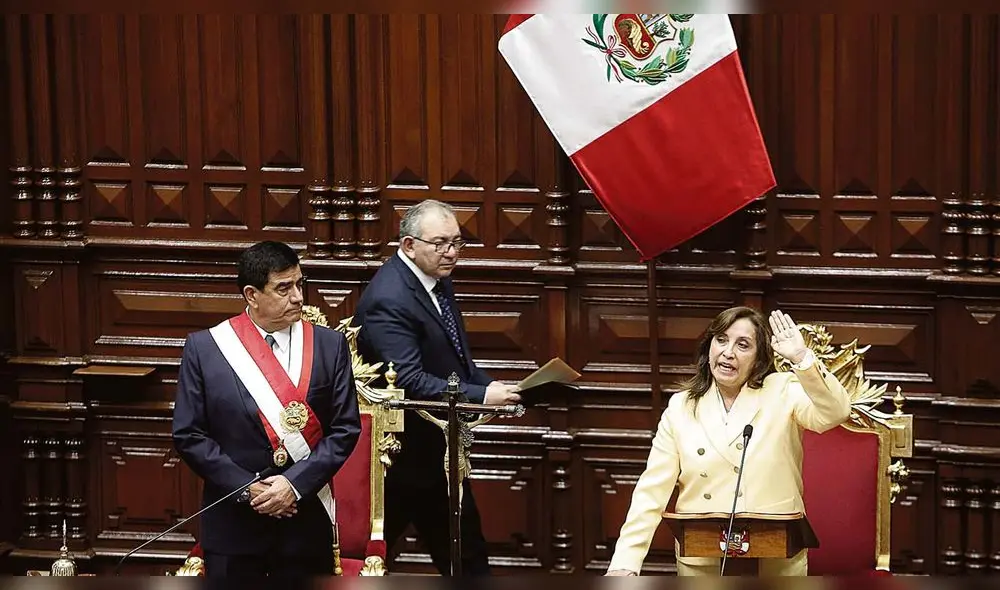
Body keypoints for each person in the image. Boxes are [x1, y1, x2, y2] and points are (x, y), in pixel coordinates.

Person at [605, 306, 851, 576]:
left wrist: (802, 358)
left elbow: (835, 412)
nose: (728, 352)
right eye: (721, 340)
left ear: (759, 358)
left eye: (743, 345)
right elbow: (651, 492)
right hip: (702, 552)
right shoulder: (681, 407)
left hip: (777, 550)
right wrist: (625, 564)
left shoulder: (783, 390)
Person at [172, 240, 361, 577]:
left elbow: (345, 428)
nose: (298, 297)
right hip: (235, 526)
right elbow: (189, 434)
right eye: (283, 288)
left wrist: (292, 485)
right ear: (251, 295)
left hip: (305, 522)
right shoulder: (205, 349)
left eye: (300, 284)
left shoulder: (329, 346)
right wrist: (248, 489)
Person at [352, 199, 521, 576]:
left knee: (465, 555)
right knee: (368, 556)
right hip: (402, 455)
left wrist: (490, 385)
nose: (451, 253)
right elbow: (409, 380)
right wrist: (480, 396)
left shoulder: (434, 280)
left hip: (436, 449)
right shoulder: (389, 298)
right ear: (409, 245)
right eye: (441, 243)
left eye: (458, 242)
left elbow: (453, 358)